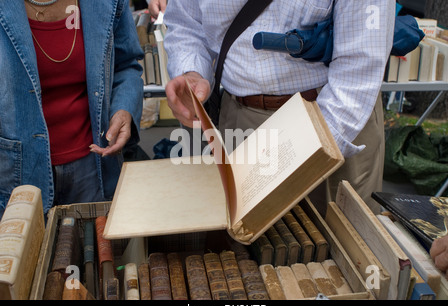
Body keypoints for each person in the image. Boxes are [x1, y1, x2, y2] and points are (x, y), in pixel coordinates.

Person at [163, 0, 395, 215]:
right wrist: (192, 70)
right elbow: (186, 23)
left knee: (343, 246)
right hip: (240, 118)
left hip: (334, 120)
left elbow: (359, 67)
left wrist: (310, 150)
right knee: (248, 248)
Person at [0, 0, 144, 218]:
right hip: (15, 175)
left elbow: (126, 65)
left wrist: (123, 108)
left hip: (93, 168)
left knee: (96, 249)